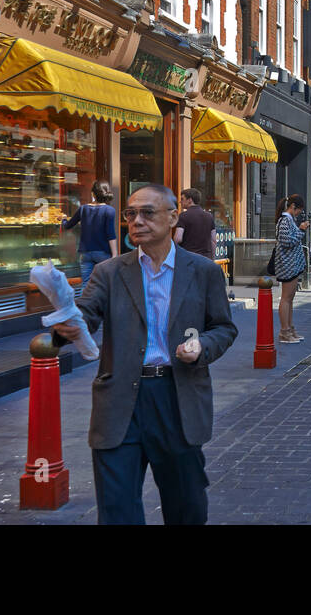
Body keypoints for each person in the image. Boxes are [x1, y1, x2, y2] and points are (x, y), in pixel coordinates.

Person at [50, 184, 237, 525]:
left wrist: (201, 347)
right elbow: (87, 313)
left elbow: (224, 328)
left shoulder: (204, 272)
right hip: (120, 400)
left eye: (148, 213)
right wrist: (70, 325)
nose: (137, 221)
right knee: (117, 510)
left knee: (187, 509)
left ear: (172, 217)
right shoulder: (110, 272)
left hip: (177, 398)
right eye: (131, 214)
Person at [62, 180, 118, 290]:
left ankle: (86, 307)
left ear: (93, 194)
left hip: (85, 253)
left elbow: (68, 225)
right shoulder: (109, 210)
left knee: (86, 285)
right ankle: (102, 306)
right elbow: (110, 233)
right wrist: (115, 254)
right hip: (103, 253)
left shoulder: (83, 209)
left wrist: (63, 220)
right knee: (105, 284)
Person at [271, 194, 310, 343]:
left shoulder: (288, 220)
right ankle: (285, 331)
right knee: (286, 298)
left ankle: (290, 329)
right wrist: (301, 230)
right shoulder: (285, 220)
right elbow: (287, 241)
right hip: (287, 265)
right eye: (299, 209)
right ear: (293, 206)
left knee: (290, 298)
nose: (299, 213)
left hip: (291, 264)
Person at [174, 188, 216, 259]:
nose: (180, 202)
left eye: (182, 199)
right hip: (206, 258)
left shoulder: (183, 216)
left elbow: (178, 238)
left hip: (188, 258)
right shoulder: (209, 216)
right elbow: (213, 240)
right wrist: (212, 259)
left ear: (190, 200)